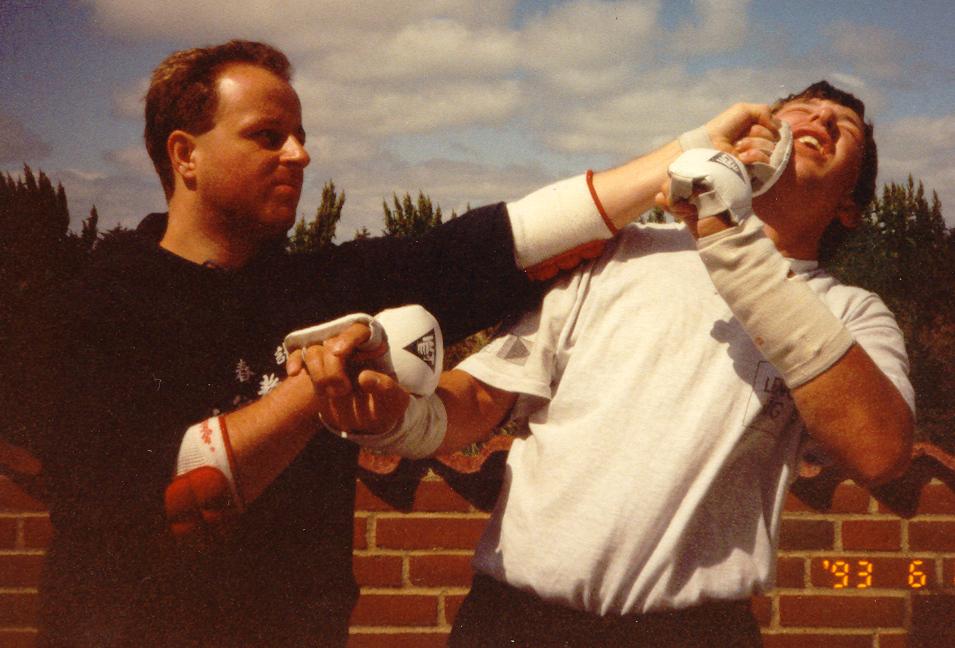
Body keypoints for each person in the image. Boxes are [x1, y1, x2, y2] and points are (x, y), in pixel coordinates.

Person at [12, 39, 783, 647]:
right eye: (267, 136)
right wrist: (311, 390)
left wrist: (689, 149)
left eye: (301, 136)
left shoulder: (321, 284)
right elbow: (169, 495)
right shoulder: (87, 309)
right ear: (184, 154)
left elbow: (498, 241)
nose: (299, 155)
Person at [304, 81, 915, 647]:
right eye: (803, 108)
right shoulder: (625, 251)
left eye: (843, 127)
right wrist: (401, 420)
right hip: (514, 620)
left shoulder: (849, 313)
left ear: (850, 207)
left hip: (694, 633)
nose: (821, 120)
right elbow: (484, 397)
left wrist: (733, 244)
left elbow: (881, 453)